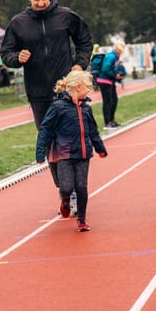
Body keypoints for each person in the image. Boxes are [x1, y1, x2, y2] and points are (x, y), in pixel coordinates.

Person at [0, 0, 93, 130]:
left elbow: (85, 41)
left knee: (70, 135)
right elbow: (5, 52)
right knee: (47, 138)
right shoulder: (18, 23)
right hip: (37, 93)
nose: (41, 3)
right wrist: (17, 58)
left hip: (66, 88)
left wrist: (79, 64)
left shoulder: (66, 16)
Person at [36, 70, 108, 232]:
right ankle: (65, 200)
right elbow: (45, 129)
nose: (89, 90)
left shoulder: (86, 109)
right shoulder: (58, 107)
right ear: (77, 87)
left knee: (82, 187)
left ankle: (82, 220)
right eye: (87, 87)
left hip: (83, 153)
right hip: (65, 154)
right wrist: (40, 152)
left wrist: (100, 148)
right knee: (67, 186)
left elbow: (93, 131)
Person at [96, 40, 125, 130]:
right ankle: (107, 123)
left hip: (109, 81)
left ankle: (111, 120)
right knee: (107, 102)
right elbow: (105, 68)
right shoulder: (111, 56)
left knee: (114, 101)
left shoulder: (115, 56)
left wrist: (117, 74)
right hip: (104, 81)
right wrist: (115, 75)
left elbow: (111, 68)